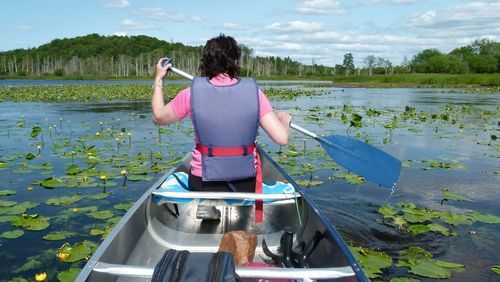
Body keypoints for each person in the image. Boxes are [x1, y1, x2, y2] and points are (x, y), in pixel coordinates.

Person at [151, 34, 291, 193]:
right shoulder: (255, 94)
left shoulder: (191, 94)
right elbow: (282, 138)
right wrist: (283, 121)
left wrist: (158, 80)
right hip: (245, 183)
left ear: (206, 61)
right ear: (235, 61)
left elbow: (158, 117)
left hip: (202, 183)